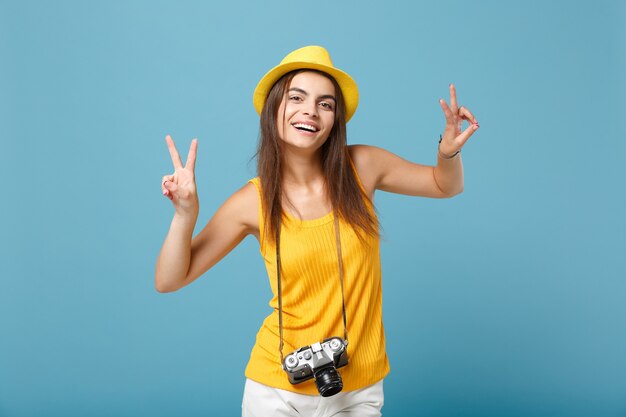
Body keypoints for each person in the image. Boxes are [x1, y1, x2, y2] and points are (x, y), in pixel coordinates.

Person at [155, 45, 479, 417]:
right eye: (297, 97)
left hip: (356, 388)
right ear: (275, 107)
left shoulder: (363, 166)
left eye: (325, 104)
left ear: (335, 119)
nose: (310, 110)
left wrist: (448, 152)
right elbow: (169, 280)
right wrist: (185, 214)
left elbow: (445, 185)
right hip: (277, 390)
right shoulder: (252, 202)